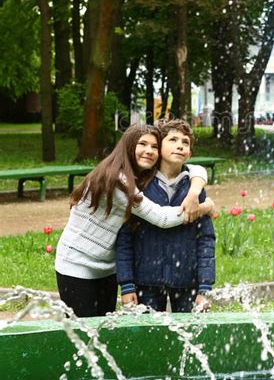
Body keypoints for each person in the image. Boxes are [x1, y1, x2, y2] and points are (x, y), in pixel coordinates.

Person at [55, 123, 213, 317]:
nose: (149, 151)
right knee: (81, 330)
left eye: (154, 146)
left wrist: (196, 190)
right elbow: (161, 218)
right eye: (142, 144)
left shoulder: (141, 178)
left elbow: (196, 169)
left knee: (103, 331)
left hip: (107, 267)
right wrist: (205, 207)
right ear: (128, 146)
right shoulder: (118, 181)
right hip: (78, 263)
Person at [116, 119, 216, 312]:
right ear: (159, 147)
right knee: (149, 337)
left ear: (190, 153)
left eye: (185, 142)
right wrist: (127, 284)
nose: (180, 145)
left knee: (191, 336)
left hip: (187, 281)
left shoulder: (194, 189)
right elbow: (125, 238)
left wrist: (205, 286)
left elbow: (206, 239)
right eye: (173, 140)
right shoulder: (141, 186)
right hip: (146, 281)